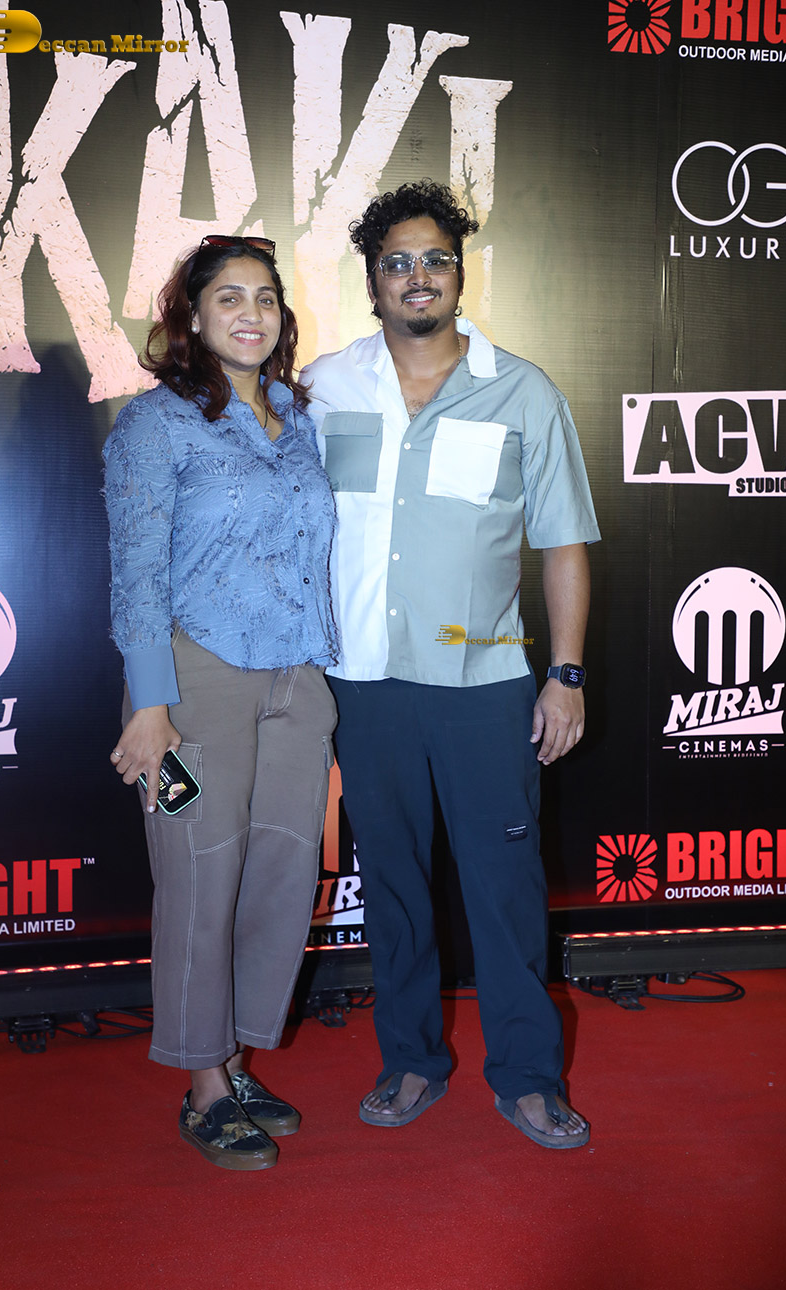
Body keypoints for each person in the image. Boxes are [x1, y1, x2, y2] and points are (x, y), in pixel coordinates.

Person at [303, 180, 600, 1149]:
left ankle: (528, 1077)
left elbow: (562, 543)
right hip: (363, 685)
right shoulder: (324, 388)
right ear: (372, 282)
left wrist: (565, 675)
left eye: (434, 258)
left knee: (504, 888)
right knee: (390, 886)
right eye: (397, 263)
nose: (417, 276)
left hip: (484, 686)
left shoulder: (523, 391)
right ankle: (411, 1061)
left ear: (460, 274)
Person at [103, 235, 338, 1170]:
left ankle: (236, 1061)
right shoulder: (154, 424)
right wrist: (150, 707)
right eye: (229, 297)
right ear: (192, 317)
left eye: (266, 298)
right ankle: (203, 1084)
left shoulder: (299, 418)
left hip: (298, 684)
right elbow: (135, 575)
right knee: (200, 879)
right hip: (192, 681)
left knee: (280, 876)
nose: (251, 313)